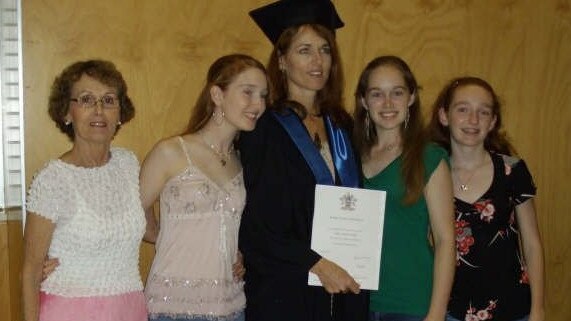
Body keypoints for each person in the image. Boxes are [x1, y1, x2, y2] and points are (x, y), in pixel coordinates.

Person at [238, 1, 369, 320]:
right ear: (281, 61)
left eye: (325, 49)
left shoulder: (343, 125)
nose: (317, 61)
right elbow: (256, 222)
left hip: (344, 288)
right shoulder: (263, 129)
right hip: (286, 291)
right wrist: (316, 263)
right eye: (304, 50)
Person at [141, 54, 268, 321]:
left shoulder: (243, 161)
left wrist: (234, 249)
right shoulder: (172, 152)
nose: (258, 104)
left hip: (231, 305)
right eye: (248, 92)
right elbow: (133, 212)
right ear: (217, 95)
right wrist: (159, 234)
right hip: (174, 307)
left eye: (263, 95)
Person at [22, 60, 147, 321]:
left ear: (120, 113)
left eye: (109, 100)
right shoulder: (53, 180)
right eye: (86, 100)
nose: (99, 110)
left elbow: (156, 228)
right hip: (69, 312)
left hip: (130, 310)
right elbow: (31, 271)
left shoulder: (130, 165)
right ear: (67, 113)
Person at [428, 76, 545, 321]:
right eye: (462, 109)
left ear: (492, 122)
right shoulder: (429, 173)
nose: (473, 120)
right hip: (452, 311)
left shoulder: (512, 170)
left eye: (483, 112)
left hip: (514, 309)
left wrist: (538, 309)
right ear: (444, 116)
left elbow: (532, 245)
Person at [353, 55, 456, 321]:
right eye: (377, 94)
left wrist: (435, 314)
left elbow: (445, 241)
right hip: (355, 299)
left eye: (397, 93)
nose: (387, 103)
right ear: (364, 101)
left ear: (411, 97)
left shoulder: (429, 157)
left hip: (410, 304)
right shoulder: (348, 156)